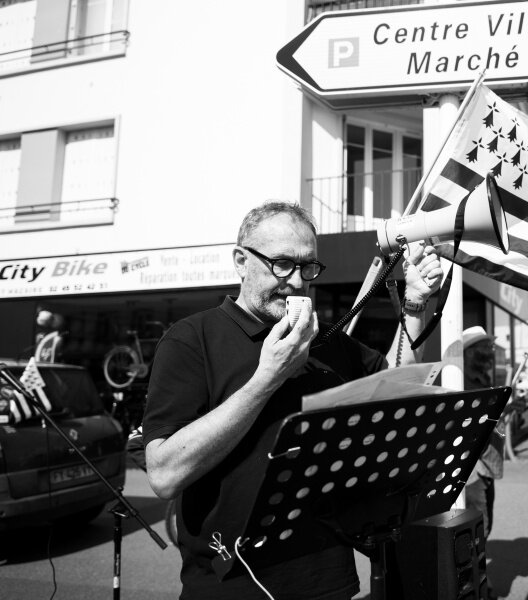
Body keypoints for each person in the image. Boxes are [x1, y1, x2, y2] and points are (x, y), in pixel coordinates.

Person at [142, 201, 442, 599]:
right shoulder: (191, 339)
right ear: (240, 261)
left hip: (327, 580)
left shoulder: (323, 339)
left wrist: (416, 303)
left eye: (308, 267)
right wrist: (268, 377)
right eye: (281, 263)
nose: (298, 282)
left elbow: (392, 384)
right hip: (230, 585)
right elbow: (163, 474)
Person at [461, 325, 504, 600]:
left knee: (483, 528)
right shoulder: (458, 380)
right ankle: (473, 587)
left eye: (490, 346)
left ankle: (476, 583)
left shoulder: (481, 378)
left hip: (486, 465)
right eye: (484, 347)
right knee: (476, 530)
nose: (490, 351)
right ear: (469, 351)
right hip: (471, 468)